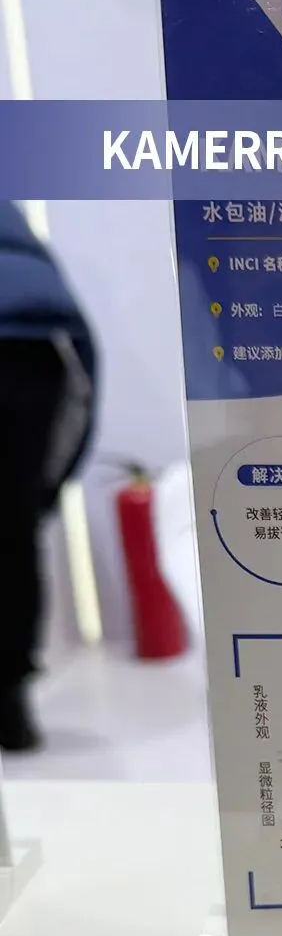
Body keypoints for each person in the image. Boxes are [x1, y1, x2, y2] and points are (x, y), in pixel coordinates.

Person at [0, 203, 97, 753]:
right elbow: (84, 362)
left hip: (35, 354)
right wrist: (47, 490)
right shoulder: (12, 216)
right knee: (15, 535)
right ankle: (10, 702)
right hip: (38, 360)